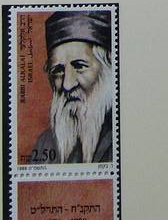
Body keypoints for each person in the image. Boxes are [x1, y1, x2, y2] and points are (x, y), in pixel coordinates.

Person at [31, 10, 113, 163]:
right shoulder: (45, 145)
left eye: (80, 66)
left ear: (107, 66)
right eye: (58, 71)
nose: (67, 85)